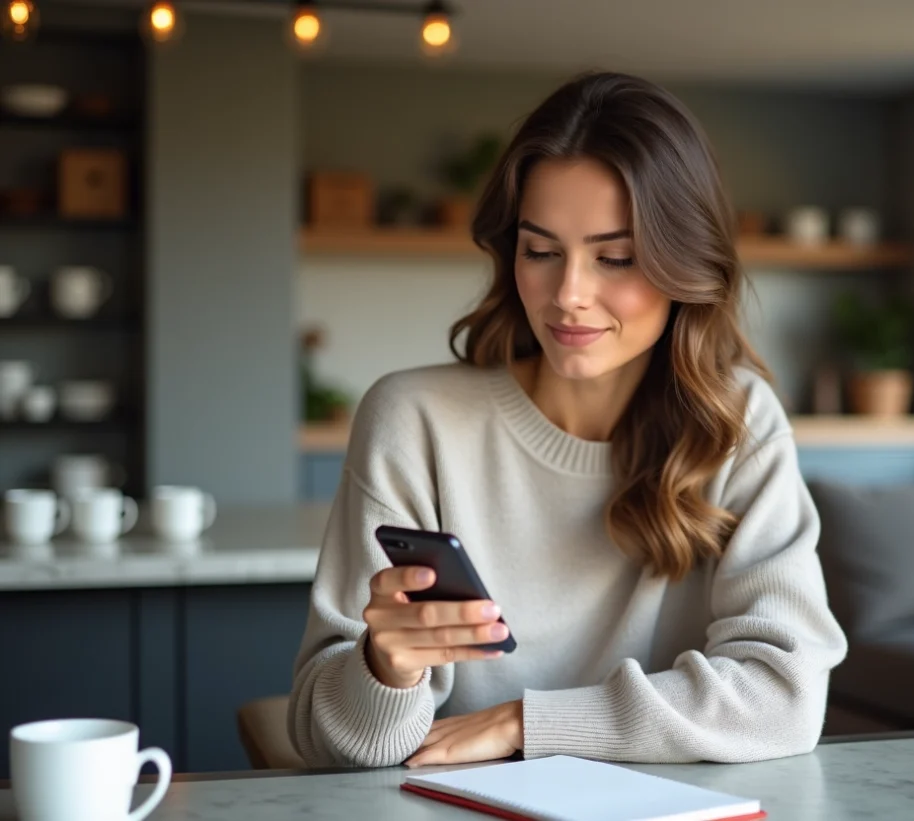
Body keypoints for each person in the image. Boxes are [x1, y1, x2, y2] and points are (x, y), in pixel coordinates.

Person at [288, 70, 848, 769]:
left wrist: (529, 722)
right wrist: (385, 670)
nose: (568, 294)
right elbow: (327, 741)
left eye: (616, 257)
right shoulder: (414, 419)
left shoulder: (738, 421)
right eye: (541, 251)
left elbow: (786, 696)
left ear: (685, 264)